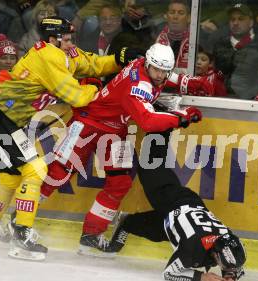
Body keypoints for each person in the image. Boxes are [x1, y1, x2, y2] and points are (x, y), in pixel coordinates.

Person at [0, 16, 140, 261]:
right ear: (53, 39)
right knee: (35, 169)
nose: (71, 43)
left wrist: (117, 60)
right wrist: (101, 91)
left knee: (12, 174)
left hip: (2, 116)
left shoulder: (61, 51)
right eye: (67, 38)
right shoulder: (49, 57)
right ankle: (22, 234)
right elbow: (76, 96)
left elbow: (91, 63)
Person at [40, 43, 210, 255]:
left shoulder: (145, 64)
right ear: (147, 63)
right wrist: (182, 117)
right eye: (156, 69)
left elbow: (168, 76)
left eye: (164, 71)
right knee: (57, 174)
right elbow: (147, 121)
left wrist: (188, 83)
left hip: (115, 130)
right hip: (88, 125)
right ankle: (21, 221)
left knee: (120, 182)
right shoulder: (137, 85)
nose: (160, 75)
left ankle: (91, 236)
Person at [105, 129, 246, 281]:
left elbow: (233, 257)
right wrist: (200, 278)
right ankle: (161, 121)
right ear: (216, 254)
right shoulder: (193, 248)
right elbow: (169, 273)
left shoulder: (227, 238)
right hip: (174, 200)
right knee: (149, 164)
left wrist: (230, 274)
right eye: (228, 266)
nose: (232, 269)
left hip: (181, 214)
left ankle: (127, 222)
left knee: (158, 231)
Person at [212, 3, 258, 99]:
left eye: (240, 19)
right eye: (232, 19)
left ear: (251, 22)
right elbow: (213, 75)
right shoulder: (219, 44)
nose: (235, 23)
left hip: (248, 102)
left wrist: (247, 100)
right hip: (220, 100)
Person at [155, 0, 190, 74]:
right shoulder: (155, 35)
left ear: (189, 18)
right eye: (172, 12)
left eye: (181, 13)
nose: (175, 17)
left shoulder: (196, 38)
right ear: (166, 16)